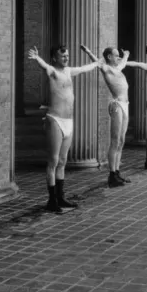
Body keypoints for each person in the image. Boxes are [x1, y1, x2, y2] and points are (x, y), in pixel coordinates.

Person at [28, 44, 100, 213]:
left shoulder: (68, 71)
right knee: (53, 161)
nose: (66, 58)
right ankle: (51, 200)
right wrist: (37, 58)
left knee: (62, 161)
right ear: (55, 58)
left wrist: (97, 61)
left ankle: (61, 197)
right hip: (55, 119)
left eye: (67, 55)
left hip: (69, 121)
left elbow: (84, 68)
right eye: (63, 56)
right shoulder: (53, 72)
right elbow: (44, 66)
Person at [81, 45, 132, 187]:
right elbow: (97, 62)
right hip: (117, 105)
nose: (118, 58)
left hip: (125, 105)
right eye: (116, 55)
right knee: (115, 140)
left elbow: (123, 62)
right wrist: (88, 51)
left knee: (121, 140)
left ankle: (117, 171)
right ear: (109, 57)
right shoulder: (106, 68)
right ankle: (112, 175)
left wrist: (126, 54)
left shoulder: (118, 68)